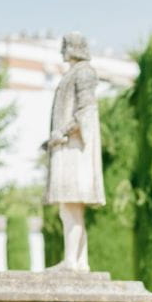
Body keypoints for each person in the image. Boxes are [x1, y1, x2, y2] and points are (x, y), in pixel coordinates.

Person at [44, 32, 105, 271]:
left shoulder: (83, 72)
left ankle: (73, 261)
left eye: (65, 46)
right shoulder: (77, 72)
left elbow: (86, 110)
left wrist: (63, 132)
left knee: (70, 206)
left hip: (73, 148)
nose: (62, 50)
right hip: (70, 145)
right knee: (69, 208)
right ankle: (79, 261)